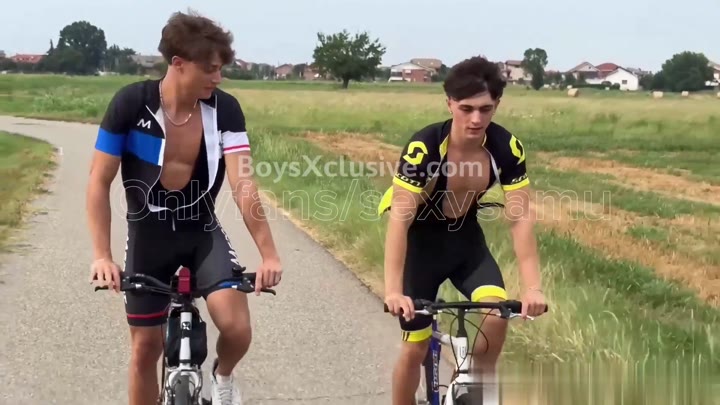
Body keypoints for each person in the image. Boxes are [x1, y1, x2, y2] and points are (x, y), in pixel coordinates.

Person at [86, 11, 281, 405]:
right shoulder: (131, 104)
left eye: (221, 69)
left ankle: (222, 376)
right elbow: (98, 181)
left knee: (237, 328)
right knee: (145, 350)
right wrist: (102, 255)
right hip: (149, 235)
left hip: (200, 230)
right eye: (210, 69)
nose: (218, 78)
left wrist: (269, 253)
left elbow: (243, 184)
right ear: (178, 63)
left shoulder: (225, 110)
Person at [378, 56, 546, 404]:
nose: (476, 119)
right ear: (449, 104)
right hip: (420, 244)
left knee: (496, 317)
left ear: (497, 104)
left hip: (465, 241)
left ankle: (469, 386)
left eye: (485, 109)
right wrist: (393, 291)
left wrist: (533, 288)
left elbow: (520, 219)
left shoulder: (505, 148)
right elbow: (399, 220)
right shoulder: (425, 148)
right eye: (466, 108)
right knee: (414, 348)